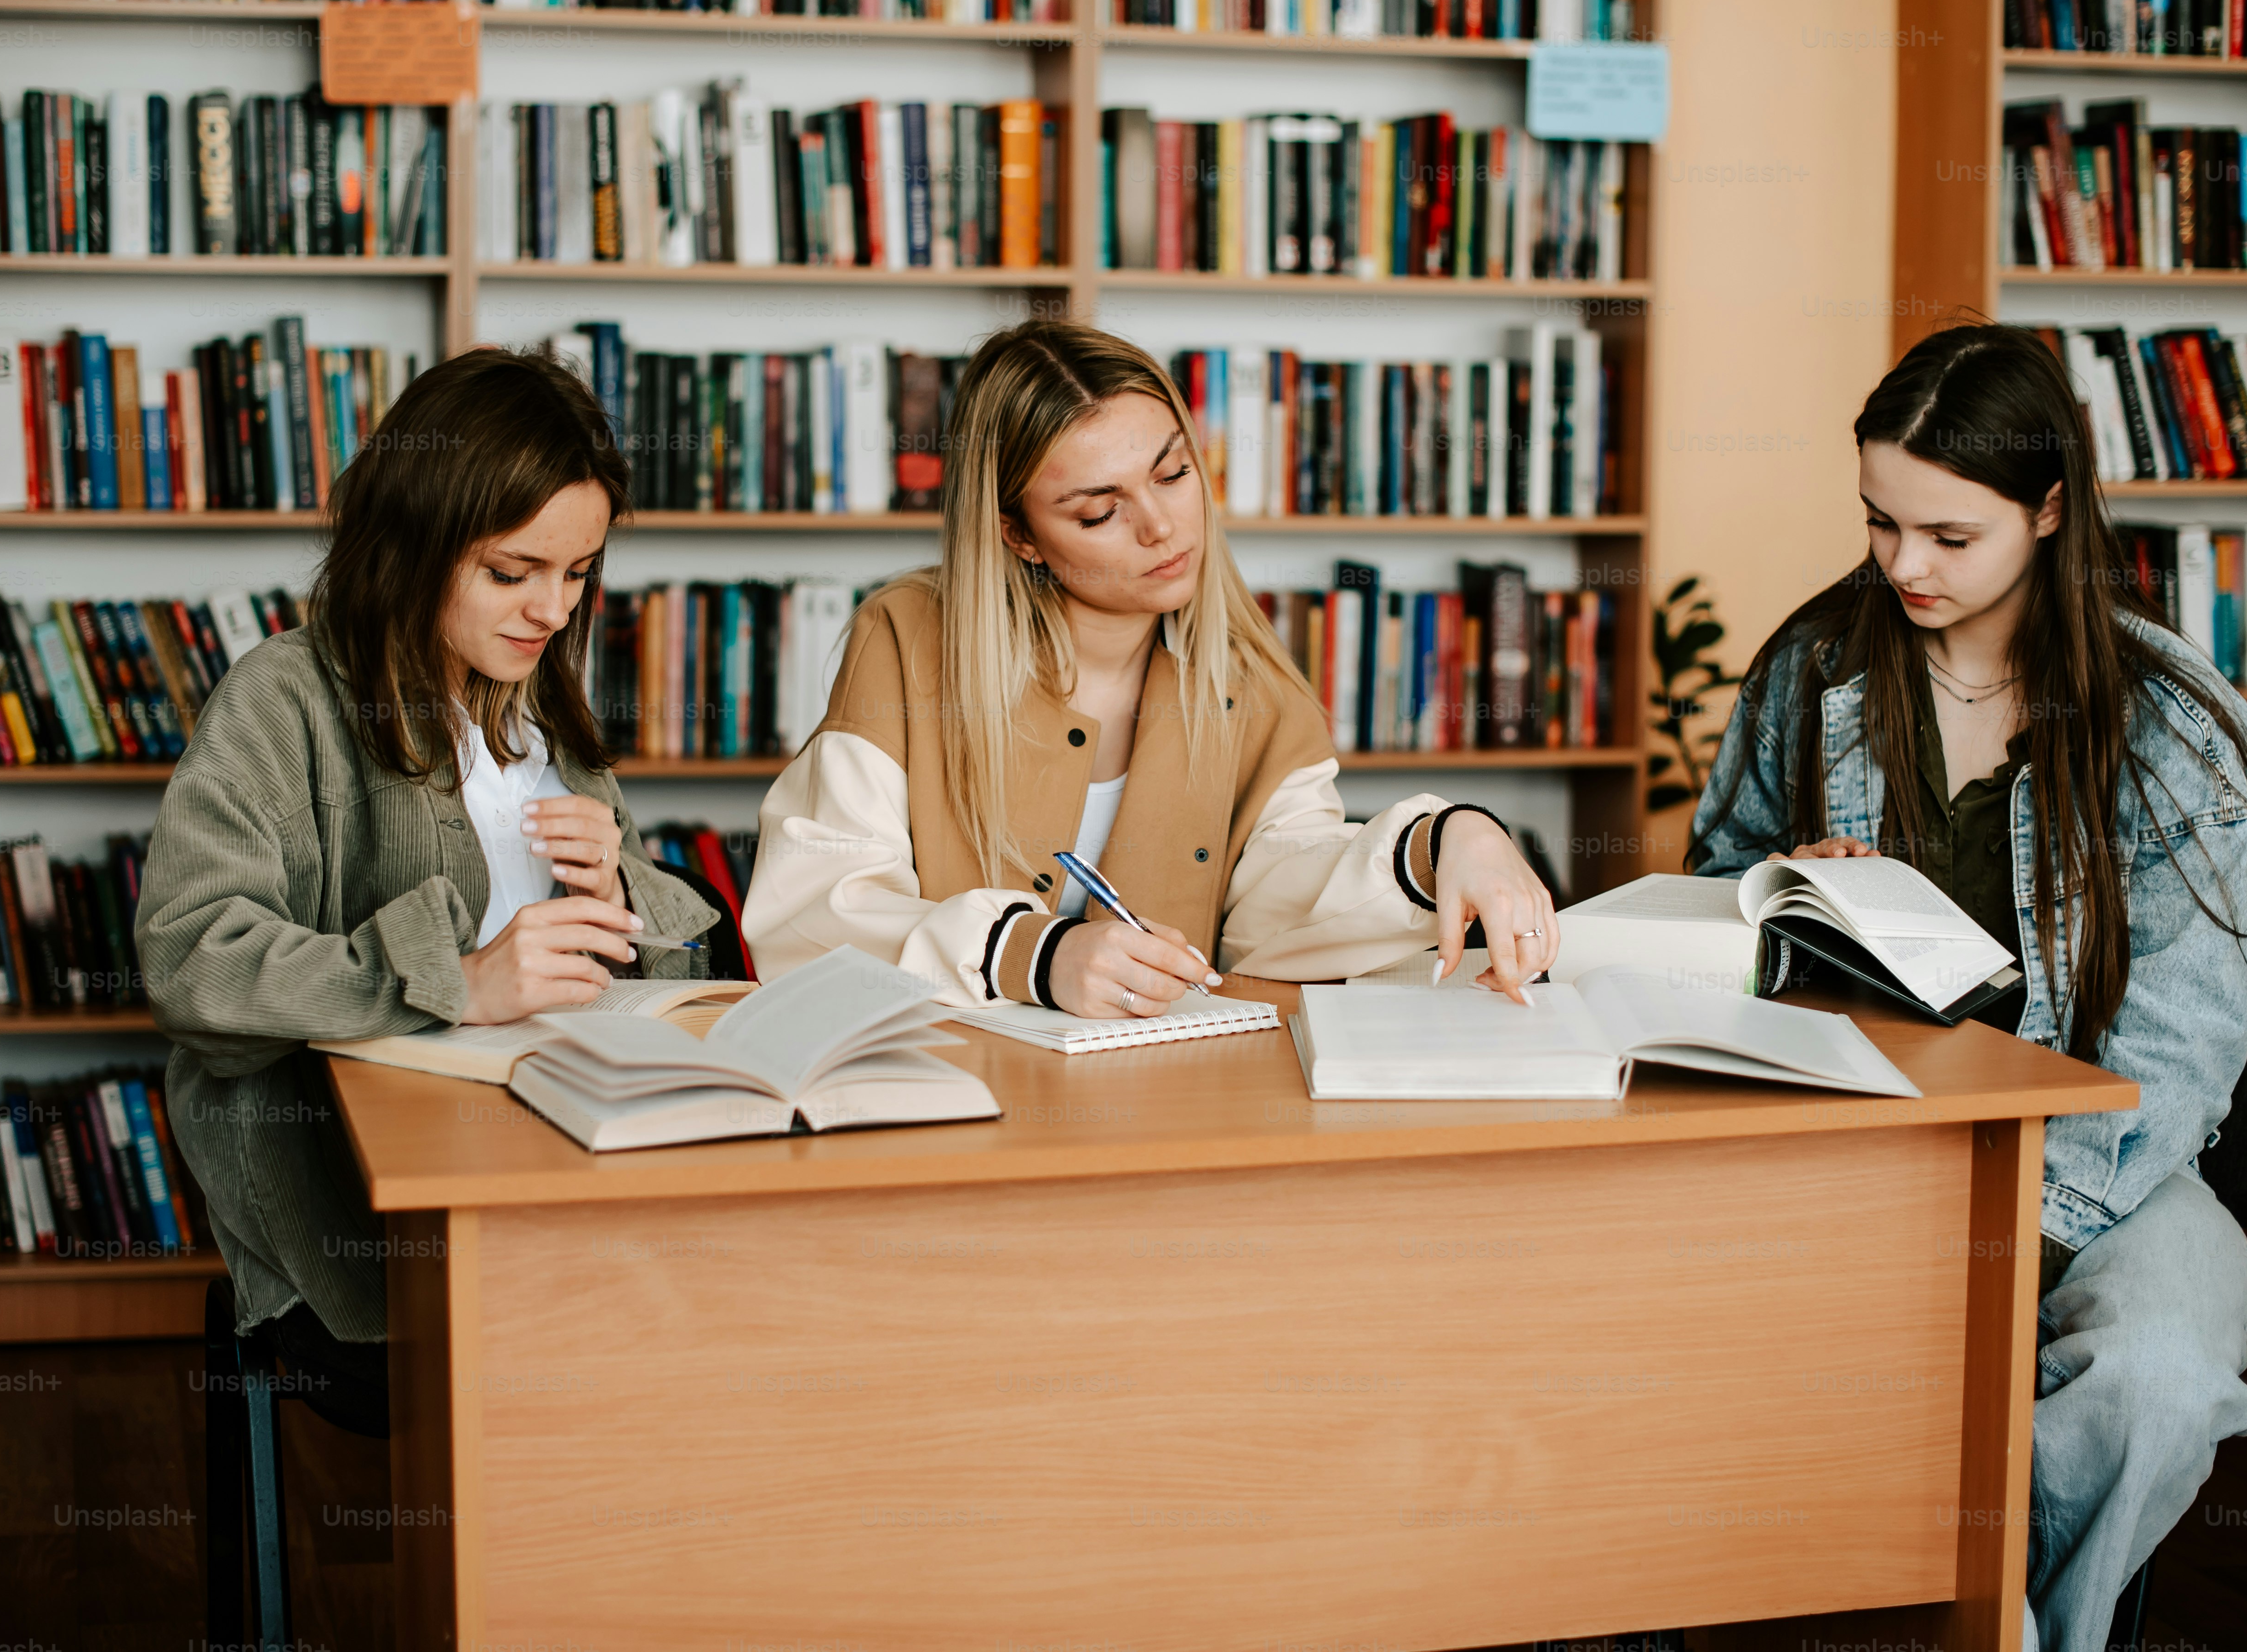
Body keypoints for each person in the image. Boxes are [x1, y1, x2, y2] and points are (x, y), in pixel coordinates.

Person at [1688, 323, 2247, 1650]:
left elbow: (2180, 1057)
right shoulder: (1814, 670)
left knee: (2157, 1380)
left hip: (2111, 1161)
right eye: (1881, 522)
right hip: (1854, 1142)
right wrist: (1785, 888)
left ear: (2050, 508)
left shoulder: (2173, 724)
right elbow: (1710, 894)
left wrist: (2031, 1236)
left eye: (1950, 538)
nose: (1904, 565)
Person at [134, 346, 718, 1413]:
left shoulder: (540, 707)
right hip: (375, 1228)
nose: (552, 610)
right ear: (411, 542)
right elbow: (191, 962)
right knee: (608, 1362)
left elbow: (643, 961)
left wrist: (617, 895)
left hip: (569, 1161)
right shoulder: (285, 699)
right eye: (512, 571)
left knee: (742, 1310)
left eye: (578, 572)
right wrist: (453, 978)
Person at [741, 319, 1560, 1015]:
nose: (1163, 527)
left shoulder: (1256, 683)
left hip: (1168, 1110)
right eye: (1100, 511)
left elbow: (1276, 909)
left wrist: (1450, 838)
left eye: (1173, 473)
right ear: (1017, 535)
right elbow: (813, 915)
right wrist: (1036, 954)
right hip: (950, 1103)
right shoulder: (906, 638)